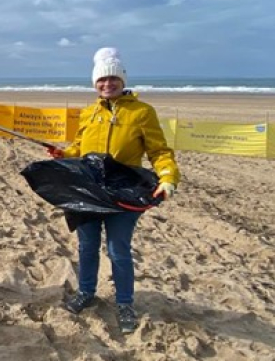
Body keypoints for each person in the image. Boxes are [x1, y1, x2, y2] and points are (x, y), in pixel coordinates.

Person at [46, 47, 180, 334]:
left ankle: (124, 303)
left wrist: (167, 178)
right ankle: (86, 292)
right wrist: (64, 152)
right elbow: (80, 147)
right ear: (95, 83)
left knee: (118, 250)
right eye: (101, 80)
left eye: (112, 78)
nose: (107, 84)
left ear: (122, 79)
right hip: (90, 191)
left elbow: (160, 151)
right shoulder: (89, 113)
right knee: (87, 246)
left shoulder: (142, 112)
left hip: (125, 192)